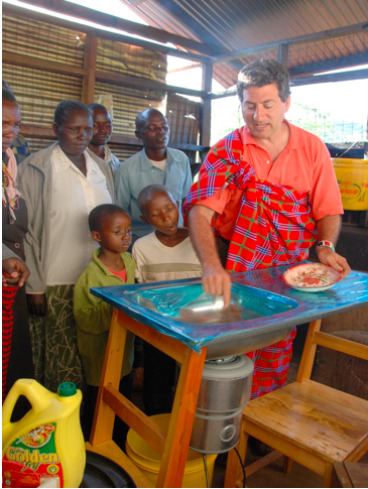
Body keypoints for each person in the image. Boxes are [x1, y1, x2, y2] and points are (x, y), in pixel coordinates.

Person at [184, 59, 351, 402]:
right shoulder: (227, 151)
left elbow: (329, 210)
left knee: (276, 344)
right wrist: (212, 265)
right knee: (229, 347)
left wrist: (325, 246)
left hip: (289, 272)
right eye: (249, 105)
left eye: (268, 105)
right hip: (237, 268)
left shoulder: (312, 148)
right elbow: (200, 213)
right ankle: (228, 420)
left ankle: (262, 417)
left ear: (287, 103)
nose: (257, 116)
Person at [18, 100, 114, 393]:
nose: (82, 135)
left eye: (88, 129)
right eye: (74, 129)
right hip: (55, 280)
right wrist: (35, 285)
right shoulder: (35, 167)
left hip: (98, 280)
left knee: (96, 356)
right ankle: (58, 427)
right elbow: (27, 232)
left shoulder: (102, 167)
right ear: (56, 129)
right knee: (60, 359)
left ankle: (89, 427)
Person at [132, 184, 202, 414]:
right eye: (155, 214)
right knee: (157, 386)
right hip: (158, 329)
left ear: (179, 206)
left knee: (192, 387)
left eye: (170, 209)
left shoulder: (201, 242)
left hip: (196, 329)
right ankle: (156, 429)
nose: (166, 217)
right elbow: (140, 291)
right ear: (144, 218)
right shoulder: (142, 248)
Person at [73, 204, 136, 444]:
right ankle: (95, 446)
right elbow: (85, 319)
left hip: (125, 351)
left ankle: (119, 444)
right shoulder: (90, 276)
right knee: (99, 403)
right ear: (97, 237)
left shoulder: (129, 262)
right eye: (118, 232)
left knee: (124, 397)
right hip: (100, 355)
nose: (126, 237)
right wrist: (117, 309)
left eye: (128, 231)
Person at [115, 108, 193, 245]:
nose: (161, 132)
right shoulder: (126, 170)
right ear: (138, 134)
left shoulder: (181, 160)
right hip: (143, 242)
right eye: (152, 128)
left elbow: (187, 200)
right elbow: (120, 212)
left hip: (178, 239)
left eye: (164, 127)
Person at [2, 89, 34, 405]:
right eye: (3, 123)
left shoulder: (9, 161)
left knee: (11, 358)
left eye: (15, 124)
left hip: (11, 276)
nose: (10, 132)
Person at [87, 103, 121, 175]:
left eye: (107, 126)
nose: (102, 130)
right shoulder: (77, 159)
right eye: (94, 125)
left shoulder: (114, 162)